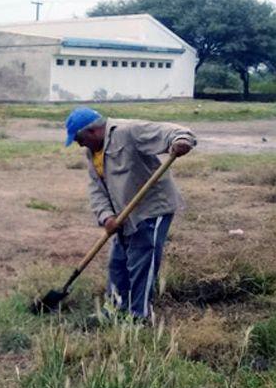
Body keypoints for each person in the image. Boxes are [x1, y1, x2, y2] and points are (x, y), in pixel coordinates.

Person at [64, 107, 196, 322]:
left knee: (141, 262)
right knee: (117, 263)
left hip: (151, 209)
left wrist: (181, 141)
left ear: (92, 131)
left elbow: (173, 131)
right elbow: (96, 188)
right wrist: (106, 216)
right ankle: (115, 311)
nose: (79, 144)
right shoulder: (92, 153)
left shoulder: (127, 131)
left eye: (79, 139)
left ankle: (140, 317)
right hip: (123, 214)